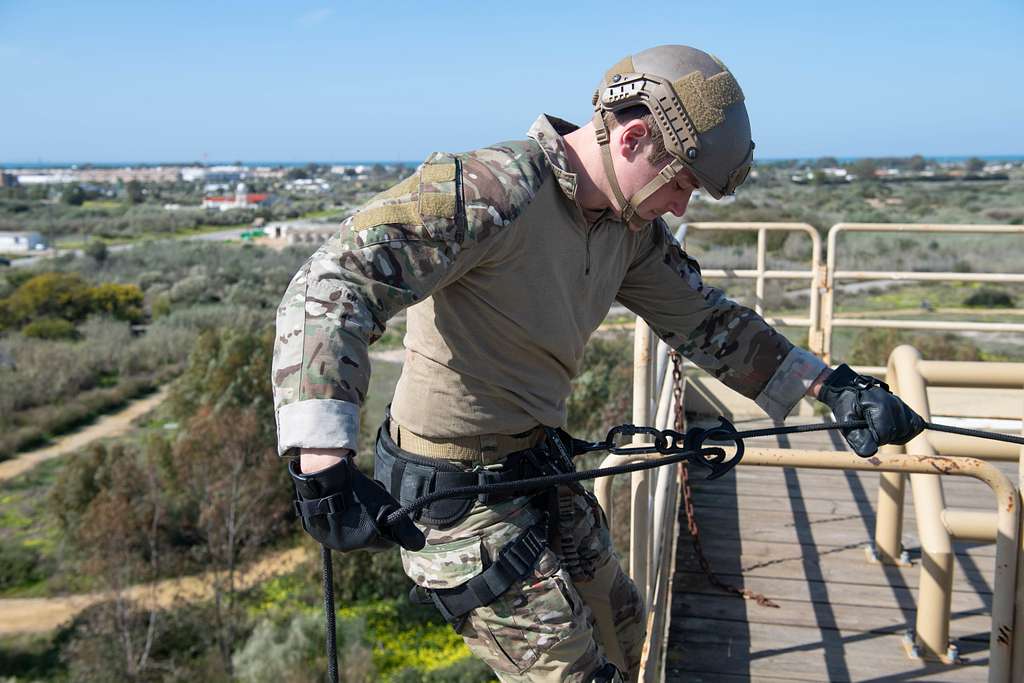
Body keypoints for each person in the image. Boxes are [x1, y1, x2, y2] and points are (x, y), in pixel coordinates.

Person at [273, 45, 924, 682]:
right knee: (574, 670)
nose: (680, 206)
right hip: (451, 492)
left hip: (535, 462)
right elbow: (335, 283)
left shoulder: (627, 228)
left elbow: (707, 321)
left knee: (624, 622)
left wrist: (833, 386)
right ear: (634, 137)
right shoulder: (491, 191)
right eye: (681, 184)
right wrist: (321, 460)